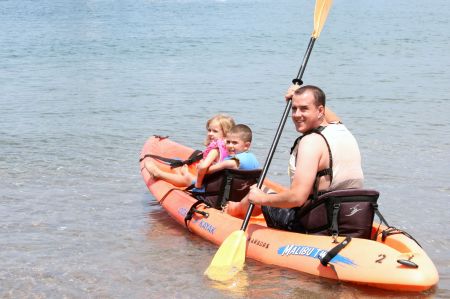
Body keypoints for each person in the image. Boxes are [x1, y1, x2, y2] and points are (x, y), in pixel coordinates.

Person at [228, 85, 364, 231]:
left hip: (311, 221)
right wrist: (299, 93)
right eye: (294, 108)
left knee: (258, 191)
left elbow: (297, 198)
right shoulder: (341, 130)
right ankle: (236, 208)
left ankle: (231, 211)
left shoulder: (311, 142)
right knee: (263, 191)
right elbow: (327, 113)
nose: (296, 115)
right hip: (345, 215)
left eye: (304, 108)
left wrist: (261, 199)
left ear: (320, 111)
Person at [144, 114, 235, 187]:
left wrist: (198, 183)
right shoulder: (231, 148)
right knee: (184, 170)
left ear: (226, 133)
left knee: (187, 180)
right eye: (209, 130)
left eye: (215, 131)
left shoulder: (215, 150)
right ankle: (184, 172)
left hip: (210, 183)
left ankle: (158, 174)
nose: (210, 134)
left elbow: (203, 167)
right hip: (218, 180)